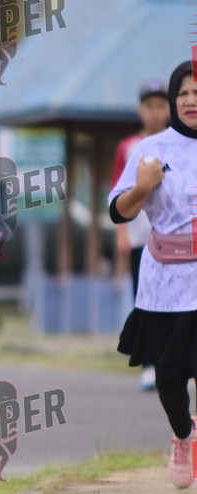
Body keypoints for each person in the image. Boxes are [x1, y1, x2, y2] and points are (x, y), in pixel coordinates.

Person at [109, 61, 197, 489]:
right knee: (168, 376)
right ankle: (183, 434)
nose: (190, 100)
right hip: (164, 281)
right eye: (183, 93)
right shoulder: (150, 149)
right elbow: (117, 211)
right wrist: (143, 186)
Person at [111, 79, 170, 390]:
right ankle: (148, 364)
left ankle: (169, 361)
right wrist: (121, 233)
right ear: (140, 109)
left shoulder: (179, 145)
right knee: (143, 298)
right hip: (140, 239)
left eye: (161, 105)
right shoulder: (128, 148)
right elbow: (116, 194)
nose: (155, 112)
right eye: (150, 106)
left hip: (174, 241)